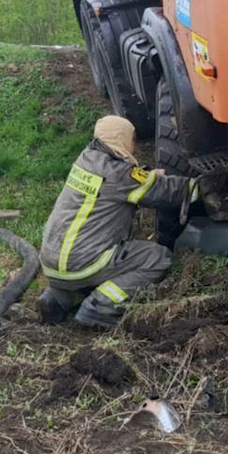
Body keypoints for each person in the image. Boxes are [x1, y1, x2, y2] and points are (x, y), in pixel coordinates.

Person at [36, 116, 202, 329]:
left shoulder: (86, 160)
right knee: (158, 258)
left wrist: (145, 176)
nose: (135, 145)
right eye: (133, 139)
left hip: (51, 262)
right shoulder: (120, 174)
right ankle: (101, 306)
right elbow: (166, 192)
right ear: (122, 138)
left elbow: (118, 183)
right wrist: (202, 186)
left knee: (78, 267)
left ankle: (57, 298)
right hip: (84, 263)